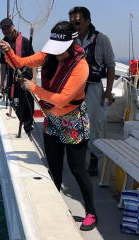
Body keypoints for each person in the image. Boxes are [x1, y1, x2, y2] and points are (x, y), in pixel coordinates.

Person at [0, 21, 97, 231]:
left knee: (77, 168)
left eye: (61, 50)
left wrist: (33, 87)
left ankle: (91, 212)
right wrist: (8, 51)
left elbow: (61, 100)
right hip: (52, 120)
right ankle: (58, 203)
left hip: (73, 120)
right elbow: (19, 62)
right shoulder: (48, 55)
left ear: (72, 45)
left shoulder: (81, 66)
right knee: (53, 165)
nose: (57, 54)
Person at [69, 7, 116, 176]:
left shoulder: (102, 39)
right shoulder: (71, 40)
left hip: (94, 89)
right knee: (75, 124)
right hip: (75, 89)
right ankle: (79, 158)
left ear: (88, 21)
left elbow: (111, 66)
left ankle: (95, 158)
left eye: (77, 22)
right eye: (71, 22)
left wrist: (108, 91)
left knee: (94, 125)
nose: (74, 25)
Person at [0, 18, 37, 137]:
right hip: (12, 78)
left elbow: (34, 61)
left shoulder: (25, 41)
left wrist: (34, 79)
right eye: (4, 29)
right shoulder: (3, 44)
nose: (6, 30)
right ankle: (22, 121)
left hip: (25, 76)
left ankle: (29, 126)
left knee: (28, 102)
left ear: (13, 26)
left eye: (8, 27)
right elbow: (3, 65)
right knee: (15, 102)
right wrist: (2, 82)